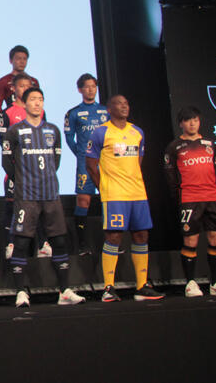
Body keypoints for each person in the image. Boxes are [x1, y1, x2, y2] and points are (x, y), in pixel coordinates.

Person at [2, 88, 86, 307]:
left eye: (40, 99)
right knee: (21, 242)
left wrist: (44, 178)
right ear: (24, 104)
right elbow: (7, 163)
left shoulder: (53, 130)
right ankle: (21, 292)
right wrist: (23, 180)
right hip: (26, 196)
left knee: (59, 241)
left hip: (50, 194)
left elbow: (55, 162)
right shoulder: (14, 131)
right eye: (33, 99)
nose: (37, 103)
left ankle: (64, 291)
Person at [86, 95, 164, 302]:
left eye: (126, 103)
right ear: (109, 109)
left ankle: (142, 286)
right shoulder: (101, 132)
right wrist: (104, 188)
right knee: (114, 236)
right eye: (119, 103)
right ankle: (108, 288)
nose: (124, 106)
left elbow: (138, 161)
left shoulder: (137, 132)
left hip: (137, 193)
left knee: (141, 235)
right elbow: (91, 165)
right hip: (114, 194)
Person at [164, 106, 216, 297]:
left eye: (195, 120)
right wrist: (178, 197)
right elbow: (170, 176)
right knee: (191, 240)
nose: (192, 123)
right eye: (188, 120)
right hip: (190, 198)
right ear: (181, 123)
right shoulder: (174, 147)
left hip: (212, 196)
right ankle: (190, 283)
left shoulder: (210, 144)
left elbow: (214, 167)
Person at [0, 73, 51, 258]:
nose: (25, 89)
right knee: (12, 205)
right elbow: (3, 142)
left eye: (28, 86)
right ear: (14, 88)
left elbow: (46, 137)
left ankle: (42, 244)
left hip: (37, 169)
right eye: (22, 86)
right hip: (17, 168)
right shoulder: (7, 113)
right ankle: (10, 244)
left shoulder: (41, 112)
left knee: (39, 205)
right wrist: (15, 165)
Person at [63, 73, 110, 255]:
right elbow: (69, 138)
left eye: (93, 86)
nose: (91, 90)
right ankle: (82, 245)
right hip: (85, 163)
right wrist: (81, 155)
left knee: (108, 199)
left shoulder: (105, 111)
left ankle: (111, 242)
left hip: (105, 162)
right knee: (83, 200)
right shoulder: (73, 113)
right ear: (80, 89)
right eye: (87, 87)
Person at [0, 45, 39, 115]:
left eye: (24, 59)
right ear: (11, 60)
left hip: (31, 119)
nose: (22, 62)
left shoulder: (34, 82)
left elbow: (38, 103)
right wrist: (5, 119)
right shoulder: (4, 81)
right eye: (18, 58)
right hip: (13, 119)